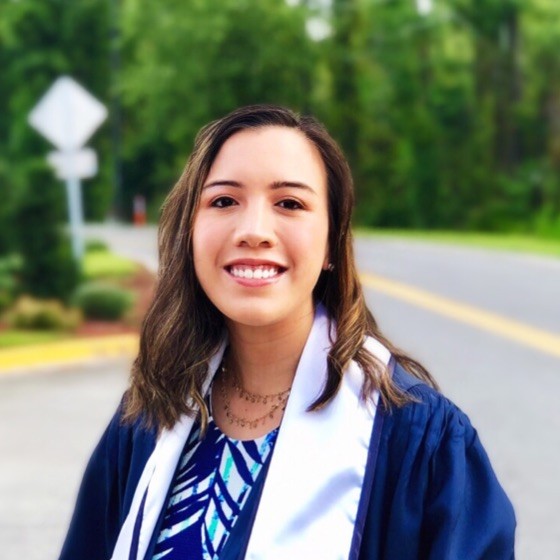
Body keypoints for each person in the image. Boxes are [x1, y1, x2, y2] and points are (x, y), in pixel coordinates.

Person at [59, 105, 516, 560]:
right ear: (190, 232)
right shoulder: (150, 415)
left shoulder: (419, 444)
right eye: (223, 201)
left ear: (332, 244)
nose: (254, 231)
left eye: (290, 204)